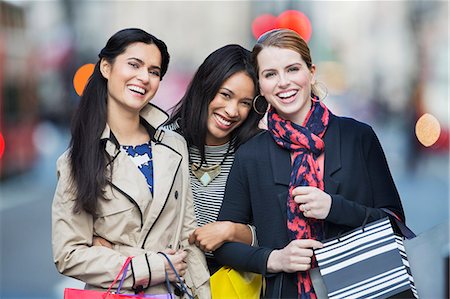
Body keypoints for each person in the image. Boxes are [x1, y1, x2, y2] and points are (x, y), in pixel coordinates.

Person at [214, 29, 406, 298]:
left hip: (363, 288)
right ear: (260, 85)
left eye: (292, 69)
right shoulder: (251, 155)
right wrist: (275, 259)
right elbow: (225, 246)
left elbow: (396, 223)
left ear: (311, 72)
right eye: (270, 74)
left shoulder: (357, 137)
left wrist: (334, 207)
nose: (283, 82)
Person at [51, 28, 210, 297]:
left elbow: (188, 237)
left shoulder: (174, 146)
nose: (144, 78)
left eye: (154, 71)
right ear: (105, 67)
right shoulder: (77, 160)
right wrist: (145, 266)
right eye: (134, 65)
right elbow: (68, 253)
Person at [164, 44, 266, 274]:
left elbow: (275, 236)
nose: (232, 111)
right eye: (226, 95)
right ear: (205, 87)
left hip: (229, 286)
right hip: (166, 283)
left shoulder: (256, 153)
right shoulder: (164, 143)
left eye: (245, 103)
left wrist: (230, 231)